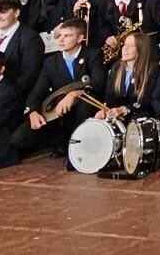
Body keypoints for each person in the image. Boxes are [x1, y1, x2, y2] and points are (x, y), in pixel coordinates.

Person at [12, 17, 104, 157]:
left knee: (83, 105)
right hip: (59, 112)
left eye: (67, 36)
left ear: (80, 38)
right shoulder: (51, 62)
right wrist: (33, 112)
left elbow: (99, 83)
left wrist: (74, 94)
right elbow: (37, 91)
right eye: (60, 35)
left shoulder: (93, 54)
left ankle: (78, 147)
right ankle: (62, 141)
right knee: (20, 139)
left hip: (85, 109)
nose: (61, 40)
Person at [0, 0, 43, 98]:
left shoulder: (30, 39)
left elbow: (29, 75)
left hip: (13, 98)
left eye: (3, 12)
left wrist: (3, 96)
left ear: (16, 13)